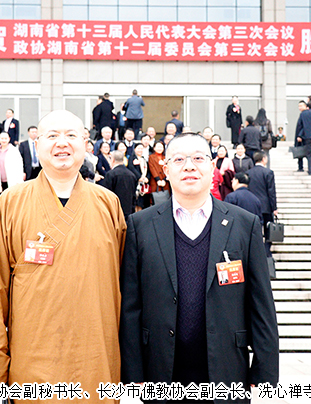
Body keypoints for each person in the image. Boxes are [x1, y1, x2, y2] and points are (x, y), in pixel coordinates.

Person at [0, 110, 127, 394]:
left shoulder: (108, 203)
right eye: (52, 135)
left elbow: (125, 289)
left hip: (96, 361)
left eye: (71, 135)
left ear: (85, 144)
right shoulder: (11, 202)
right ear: (36, 144)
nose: (62, 143)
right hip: (32, 365)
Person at [120, 134, 279, 397]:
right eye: (179, 160)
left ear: (212, 167)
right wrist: (132, 372)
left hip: (227, 371)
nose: (189, 166)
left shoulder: (244, 224)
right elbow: (131, 305)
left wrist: (265, 371)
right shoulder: (140, 225)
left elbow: (261, 302)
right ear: (166, 169)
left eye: (198, 158)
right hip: (160, 372)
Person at [247, 151, 278, 257]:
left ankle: (256, 252)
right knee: (268, 229)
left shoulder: (248, 173)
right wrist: (274, 207)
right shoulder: (268, 172)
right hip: (266, 206)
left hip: (252, 206)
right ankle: (267, 251)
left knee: (254, 230)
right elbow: (271, 191)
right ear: (264, 159)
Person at [101, 150, 137, 220]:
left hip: (114, 211)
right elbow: (134, 195)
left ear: (113, 160)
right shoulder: (132, 175)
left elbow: (105, 194)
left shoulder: (110, 174)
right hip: (128, 211)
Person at [128, 143, 150, 210]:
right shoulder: (132, 158)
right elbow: (131, 168)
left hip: (143, 183)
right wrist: (139, 177)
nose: (140, 150)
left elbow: (148, 170)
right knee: (136, 201)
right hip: (136, 182)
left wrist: (147, 178)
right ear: (135, 149)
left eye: (141, 148)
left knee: (142, 202)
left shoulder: (144, 159)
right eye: (138, 148)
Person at [294, 100, 308, 172]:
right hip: (300, 135)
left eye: (301, 106)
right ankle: (300, 166)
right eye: (299, 106)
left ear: (305, 106)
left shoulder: (305, 114)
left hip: (303, 137)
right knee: (300, 152)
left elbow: (304, 126)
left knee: (305, 152)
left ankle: (306, 167)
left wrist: (300, 135)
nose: (300, 107)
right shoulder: (302, 114)